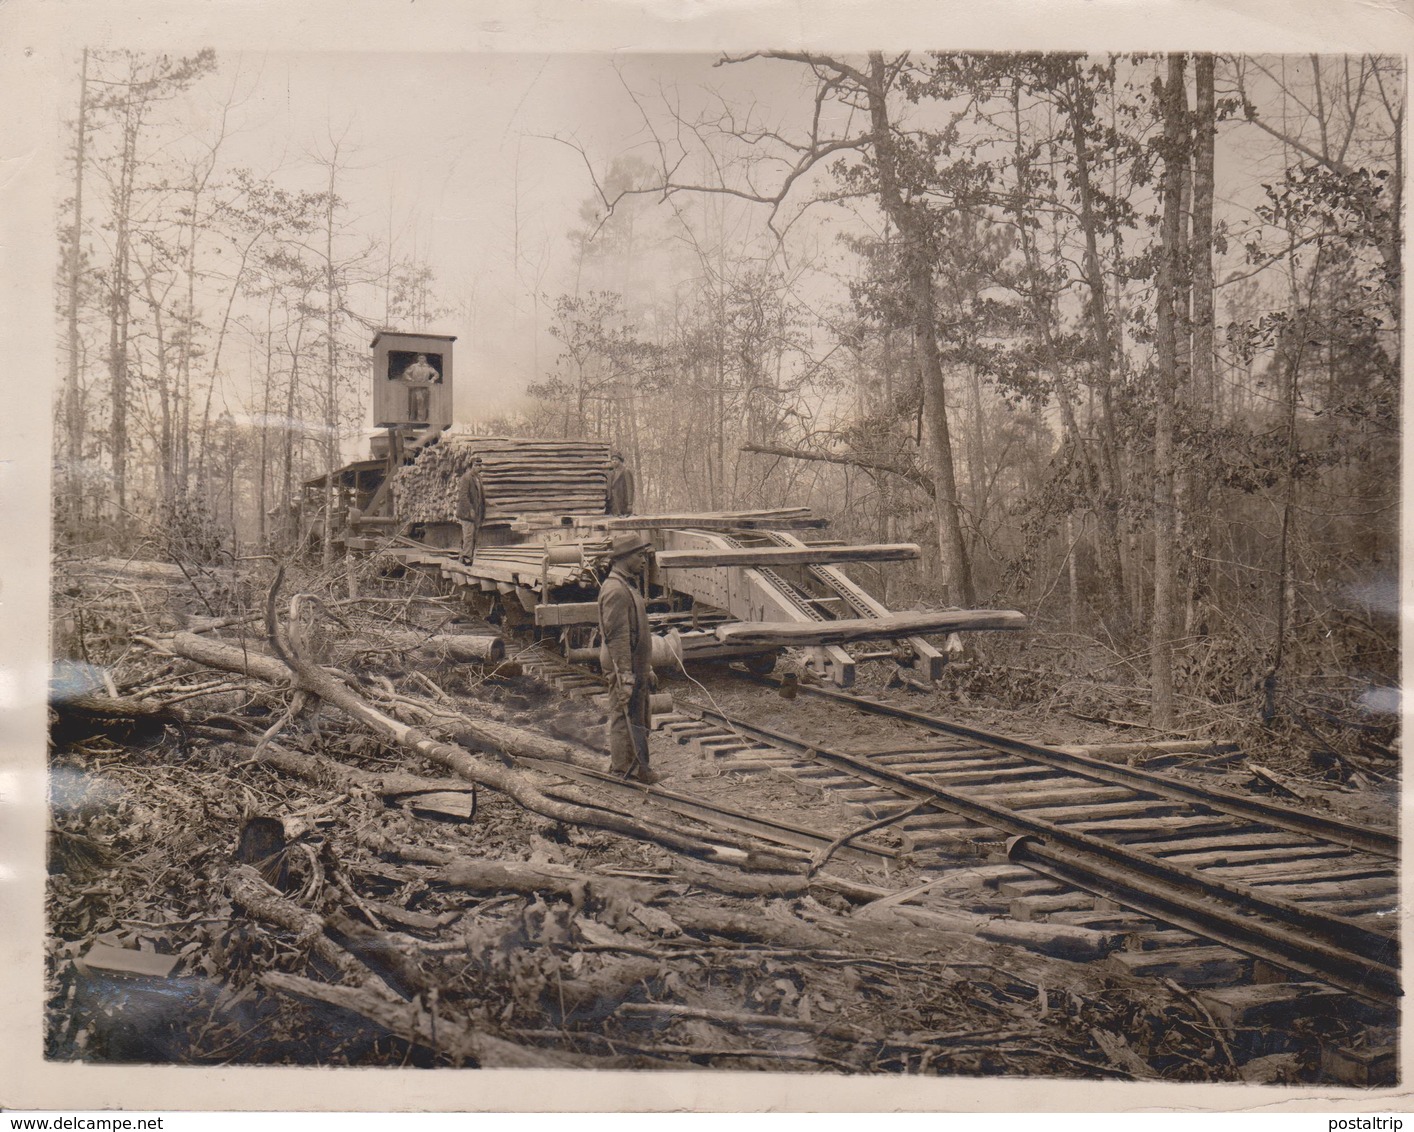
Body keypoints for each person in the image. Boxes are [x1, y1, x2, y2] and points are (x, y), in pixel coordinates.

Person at [597, 532, 660, 784]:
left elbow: (637, 631)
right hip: (625, 664)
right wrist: (624, 674)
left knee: (638, 715)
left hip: (637, 664)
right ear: (623, 558)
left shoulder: (626, 585)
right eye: (640, 555)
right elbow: (618, 637)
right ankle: (623, 771)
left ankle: (639, 768)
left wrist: (648, 666)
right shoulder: (615, 590)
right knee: (624, 717)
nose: (644, 561)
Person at [454, 457, 485, 564]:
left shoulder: (478, 478)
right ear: (471, 465)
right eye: (476, 465)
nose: (479, 467)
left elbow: (480, 495)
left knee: (474, 535)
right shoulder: (466, 478)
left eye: (480, 465)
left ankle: (465, 556)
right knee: (468, 534)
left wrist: (487, 504)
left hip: (477, 512)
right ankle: (466, 557)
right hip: (467, 513)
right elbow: (463, 496)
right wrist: (470, 509)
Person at [400, 353, 439, 421]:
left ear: (425, 359)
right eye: (420, 358)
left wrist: (432, 379)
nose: (422, 360)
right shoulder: (414, 366)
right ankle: (412, 419)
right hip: (415, 387)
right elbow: (406, 373)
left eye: (423, 358)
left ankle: (421, 420)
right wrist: (411, 379)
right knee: (413, 404)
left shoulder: (428, 367)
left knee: (422, 404)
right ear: (418, 359)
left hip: (424, 387)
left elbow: (436, 374)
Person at [605, 451, 635, 516]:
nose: (614, 461)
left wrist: (630, 504)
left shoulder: (625, 471)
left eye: (616, 460)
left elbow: (630, 488)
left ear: (620, 461)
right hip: (611, 505)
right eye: (612, 460)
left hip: (622, 503)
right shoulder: (610, 473)